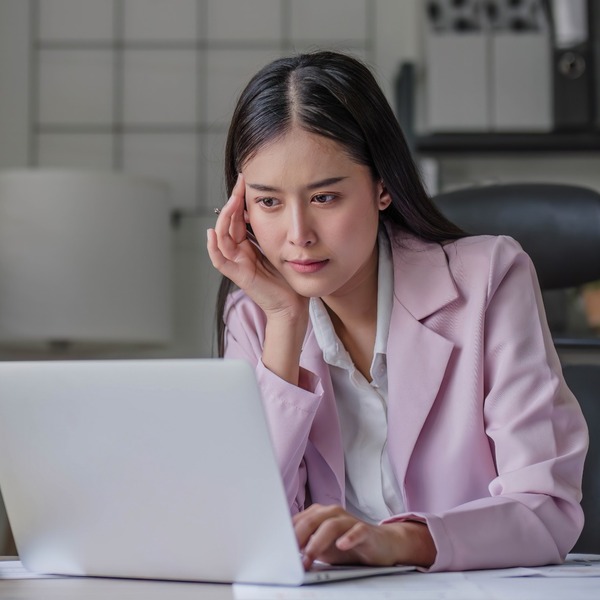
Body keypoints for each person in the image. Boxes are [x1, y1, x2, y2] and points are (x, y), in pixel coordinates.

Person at [206, 51, 588, 572]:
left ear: (382, 186)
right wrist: (284, 323)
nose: (297, 236)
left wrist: (399, 543)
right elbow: (249, 528)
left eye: (325, 197)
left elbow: (545, 509)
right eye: (269, 202)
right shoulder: (254, 317)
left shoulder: (490, 279)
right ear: (242, 208)